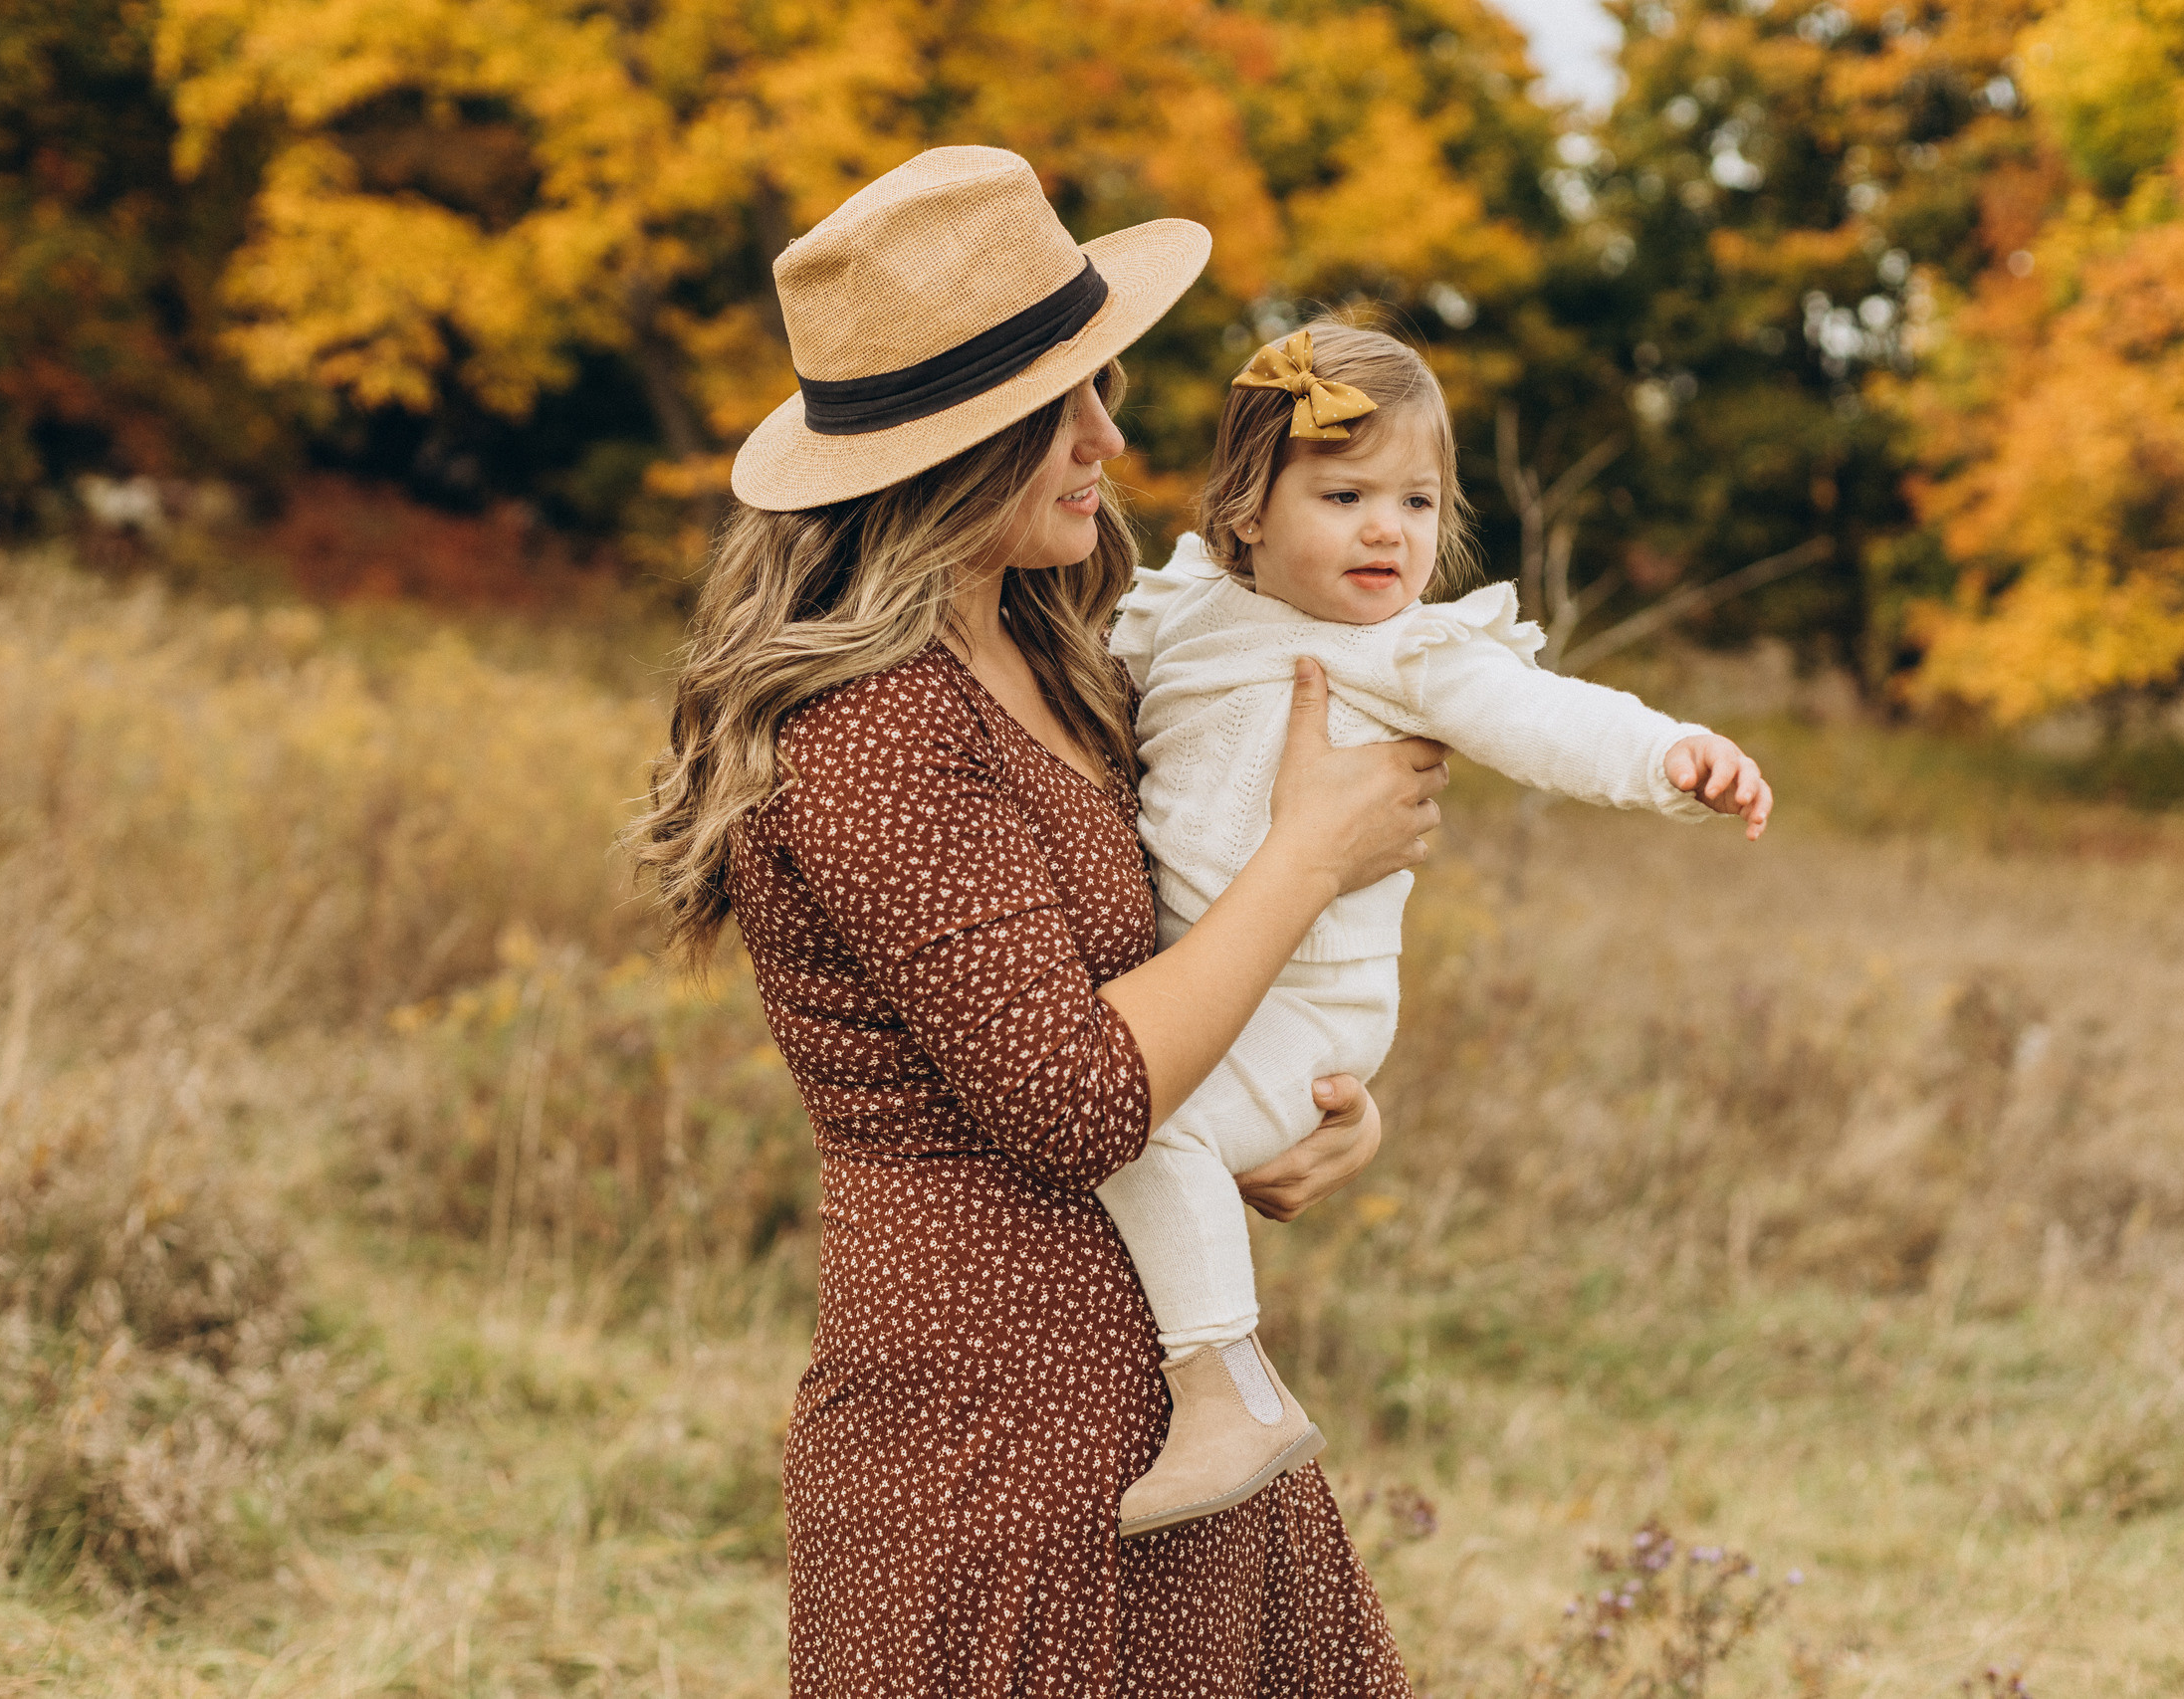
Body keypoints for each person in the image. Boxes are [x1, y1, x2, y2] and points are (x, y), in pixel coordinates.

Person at [636, 148, 1443, 1695]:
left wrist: (1318, 1103)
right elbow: (1072, 1093)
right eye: (1062, 406)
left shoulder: (1056, 650)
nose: (1108, 439)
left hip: (1175, 1386)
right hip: (992, 1415)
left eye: (1102, 388)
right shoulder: (875, 726)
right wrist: (1311, 853)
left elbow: (1162, 983)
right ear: (953, 447)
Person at [1095, 321, 1774, 1539]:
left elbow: (1543, 716)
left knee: (1138, 1118)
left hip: (1307, 1003)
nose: (1387, 532)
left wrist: (1670, 756)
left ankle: (1226, 1392)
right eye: (1344, 496)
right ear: (1245, 510)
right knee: (1137, 1103)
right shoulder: (1186, 612)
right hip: (1207, 974)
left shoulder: (1406, 651)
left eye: (1416, 501)